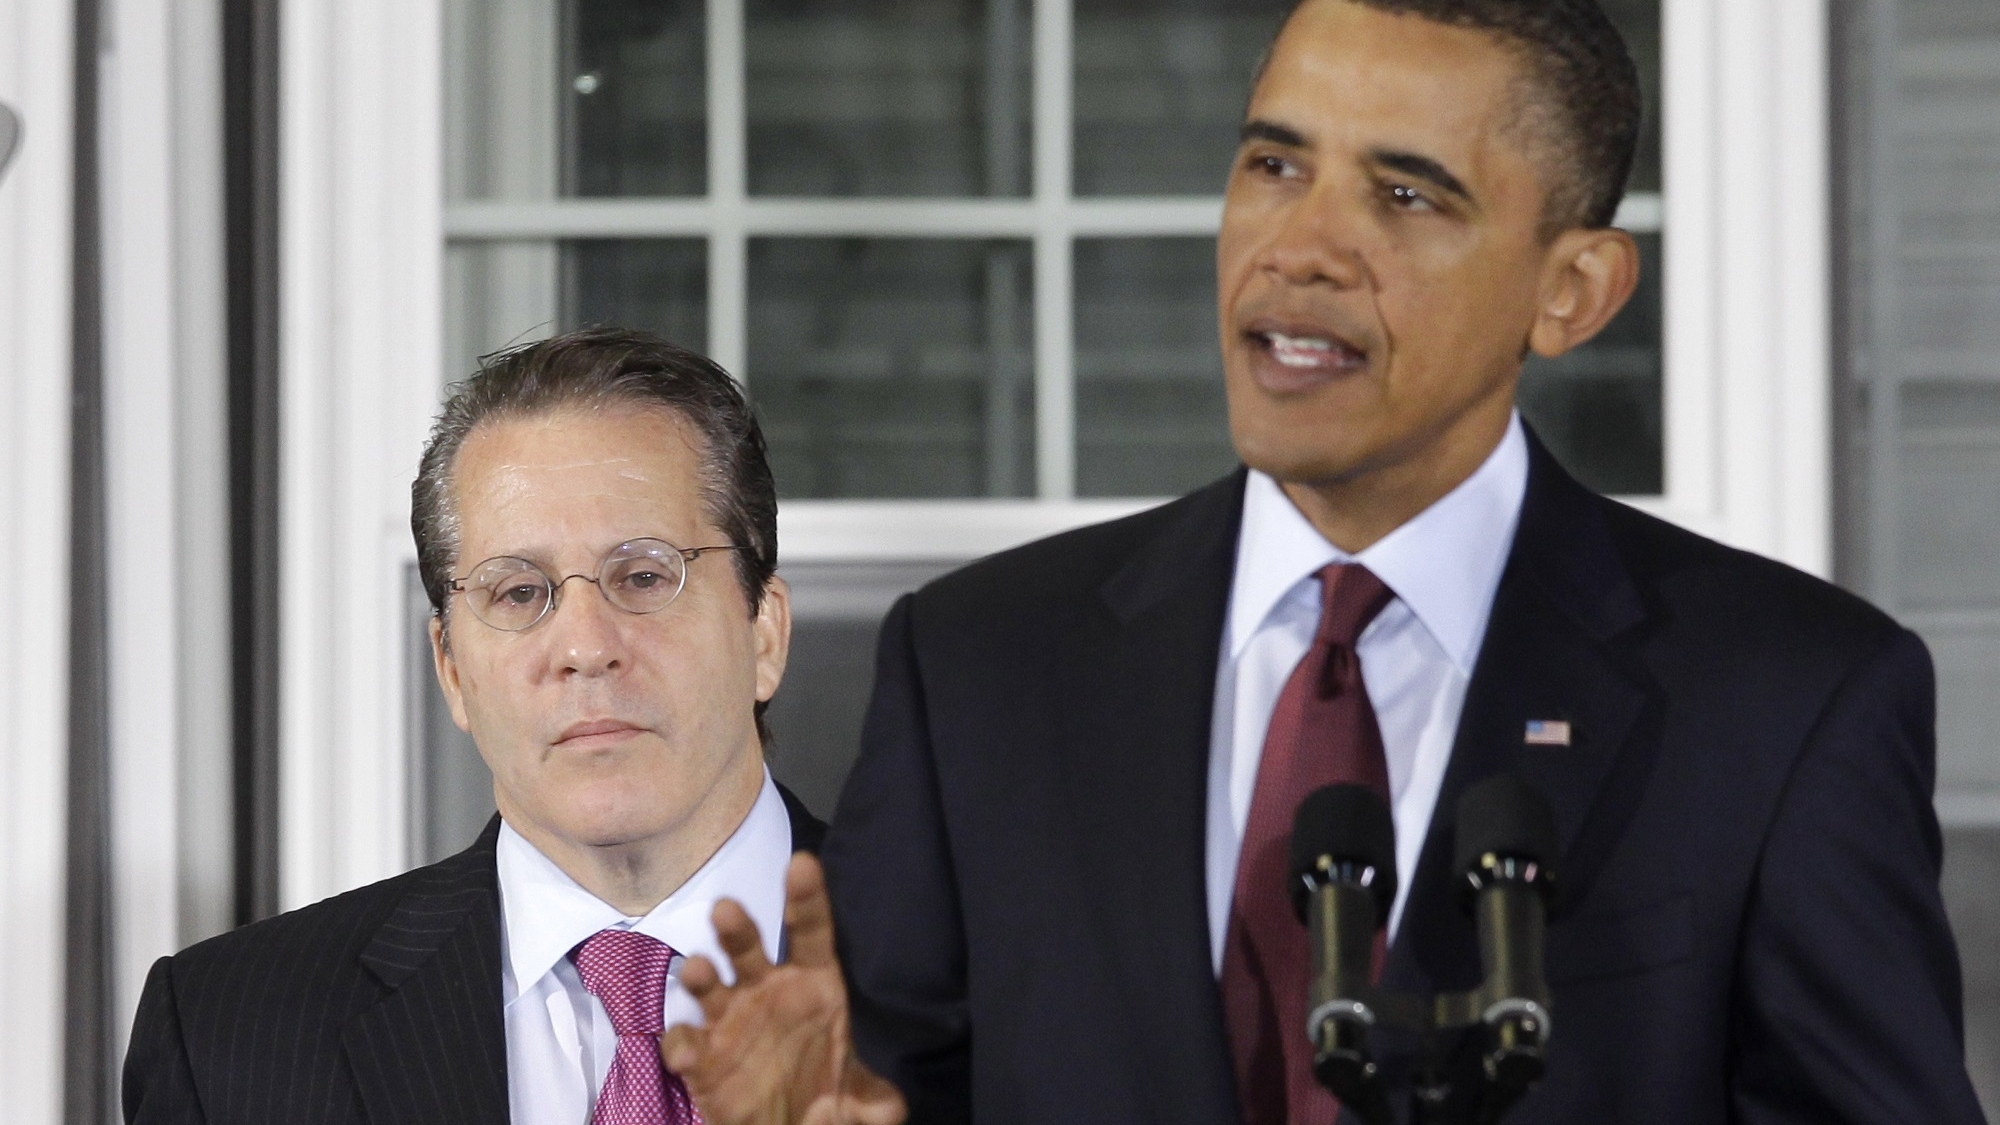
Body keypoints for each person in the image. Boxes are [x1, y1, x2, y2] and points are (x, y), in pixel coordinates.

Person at [673, 1, 1989, 1123]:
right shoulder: (981, 663)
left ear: (1572, 290)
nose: (1299, 246)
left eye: (1406, 194)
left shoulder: (1789, 700)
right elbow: (883, 1085)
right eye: (1274, 165)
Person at [121, 328, 834, 1125]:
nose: (586, 647)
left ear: (763, 632)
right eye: (519, 592)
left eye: (643, 575)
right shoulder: (229, 1035)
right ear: (452, 668)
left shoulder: (975, 984)